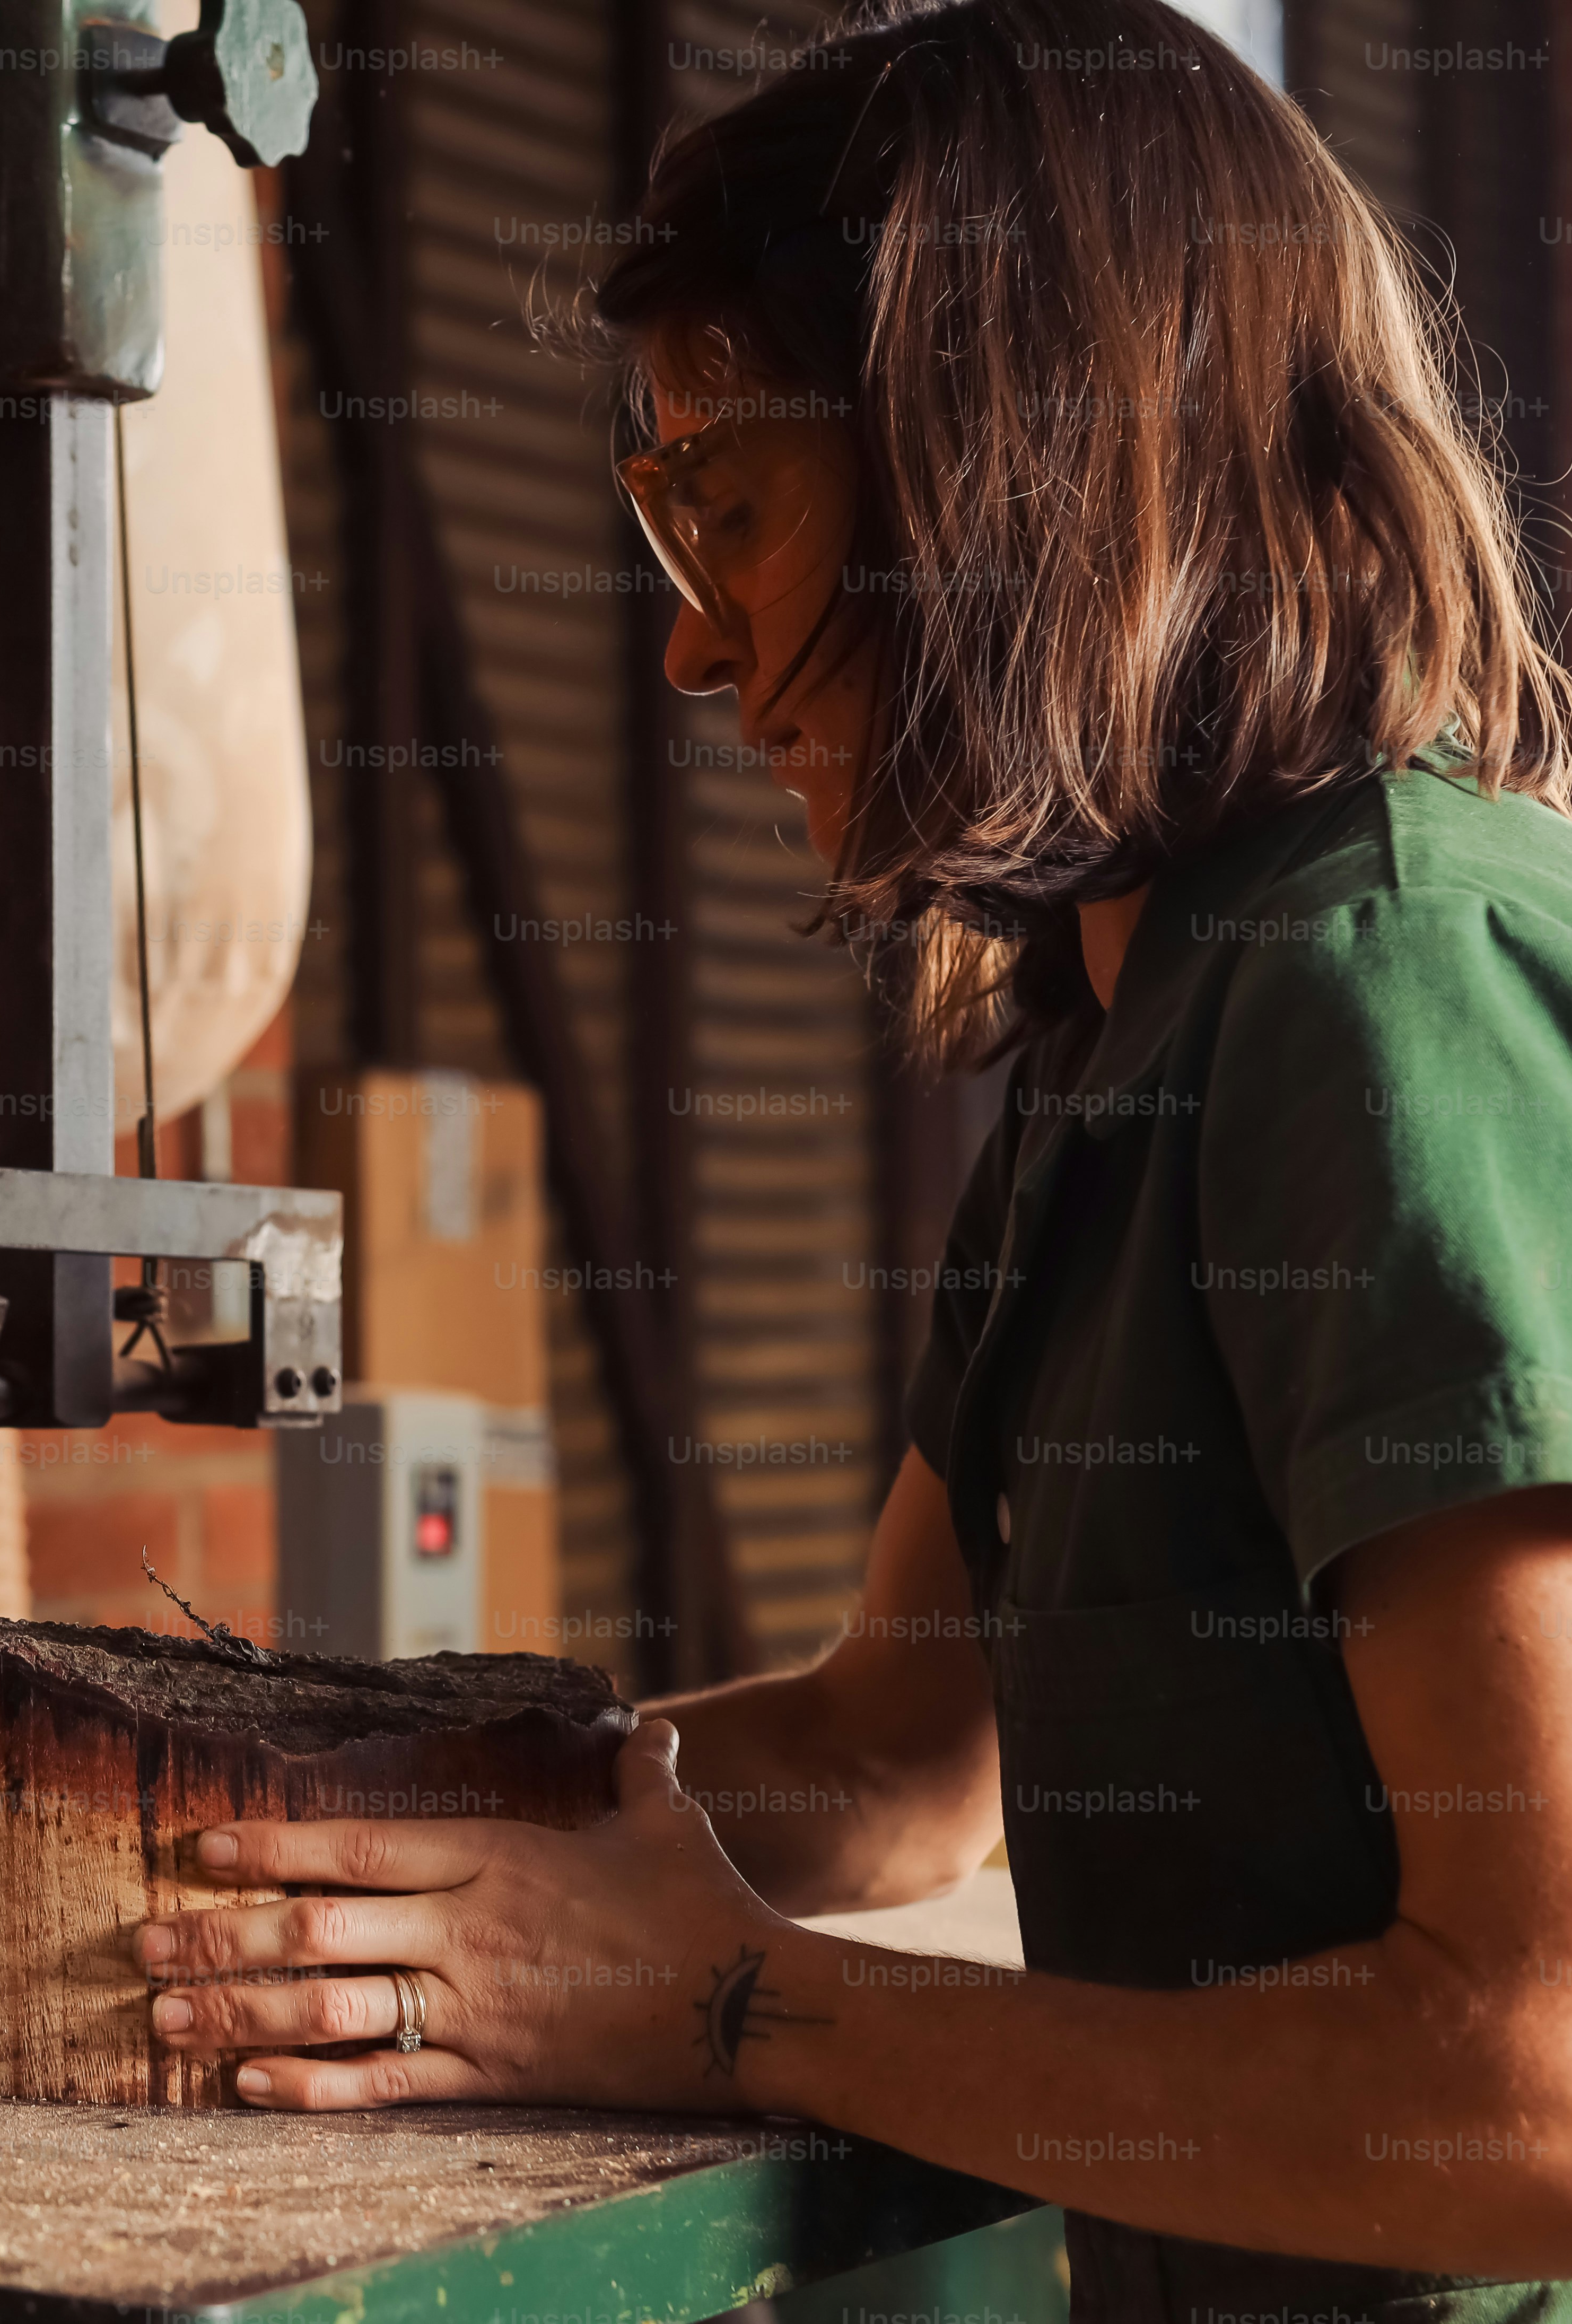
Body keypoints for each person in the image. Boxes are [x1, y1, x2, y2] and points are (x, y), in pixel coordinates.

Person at [132, 1, 1572, 2311]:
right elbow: (897, 1749)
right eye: (659, 515)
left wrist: (730, 2001)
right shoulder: (1127, 1034)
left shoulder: (1380, 979)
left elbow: (1539, 2087)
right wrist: (319, 1839)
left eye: (731, 502)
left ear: (1008, 461)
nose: (692, 647)